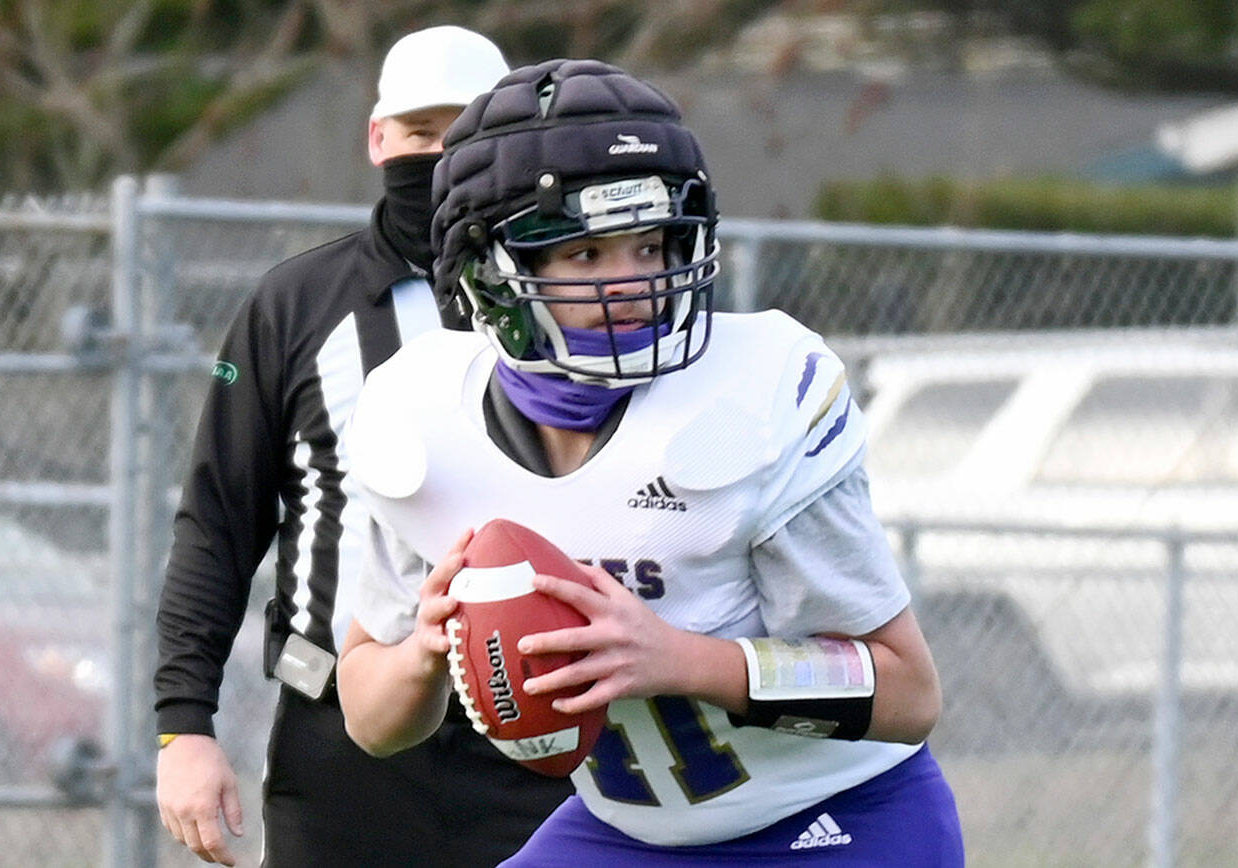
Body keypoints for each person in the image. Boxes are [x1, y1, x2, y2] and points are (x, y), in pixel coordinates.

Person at [338, 58, 964, 866]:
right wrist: (424, 653)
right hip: (629, 833)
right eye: (585, 256)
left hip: (834, 822)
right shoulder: (422, 422)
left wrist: (681, 662)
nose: (632, 283)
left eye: (650, 244)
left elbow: (910, 694)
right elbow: (371, 720)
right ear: (491, 271)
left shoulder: (752, 396)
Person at [153, 27, 573, 868]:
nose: (442, 153)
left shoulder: (574, 297)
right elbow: (218, 523)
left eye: (464, 133)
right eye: (422, 133)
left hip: (541, 725)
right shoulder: (296, 304)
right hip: (339, 734)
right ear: (379, 139)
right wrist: (182, 728)